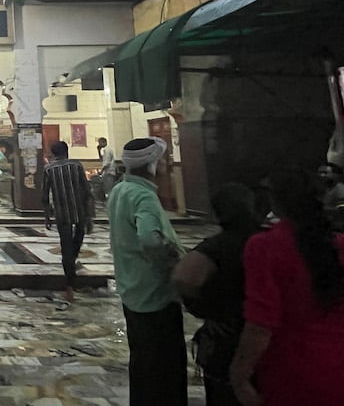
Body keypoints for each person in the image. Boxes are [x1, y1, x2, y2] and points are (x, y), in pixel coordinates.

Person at [229, 166, 344, 406]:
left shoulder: (265, 247)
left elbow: (261, 323)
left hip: (292, 371)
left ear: (275, 201)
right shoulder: (338, 245)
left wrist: (239, 375)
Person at [107, 136, 187, 406]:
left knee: (142, 363)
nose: (164, 165)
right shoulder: (143, 196)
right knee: (164, 368)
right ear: (151, 165)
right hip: (155, 292)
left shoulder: (120, 190)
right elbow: (151, 239)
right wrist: (176, 261)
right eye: (161, 160)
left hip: (132, 288)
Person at [172, 183, 260, 406]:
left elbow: (183, 278)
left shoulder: (218, 247)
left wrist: (206, 310)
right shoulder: (268, 240)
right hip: (271, 333)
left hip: (227, 334)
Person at [42, 140, 95, 302]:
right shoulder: (77, 166)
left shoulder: (49, 169)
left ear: (53, 153)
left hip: (61, 214)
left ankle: (69, 285)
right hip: (79, 212)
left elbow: (45, 195)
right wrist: (90, 216)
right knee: (75, 245)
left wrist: (47, 216)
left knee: (66, 247)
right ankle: (71, 281)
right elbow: (86, 191)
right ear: (66, 151)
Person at [317, 161, 344, 230]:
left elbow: (341, 209)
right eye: (319, 172)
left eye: (325, 173)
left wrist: (320, 209)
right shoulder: (321, 189)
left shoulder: (340, 188)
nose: (321, 175)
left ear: (335, 175)